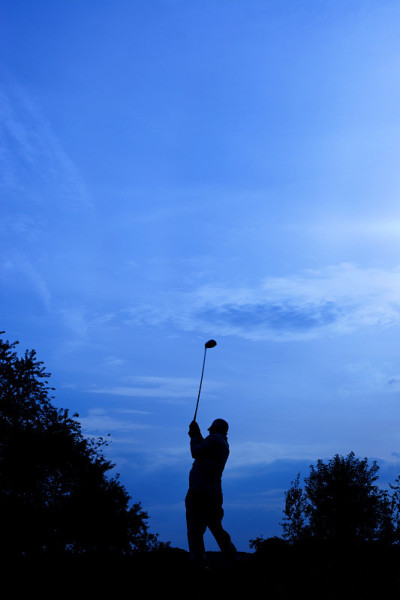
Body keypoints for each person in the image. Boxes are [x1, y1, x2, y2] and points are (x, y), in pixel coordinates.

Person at [185, 418, 237, 571]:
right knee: (216, 528)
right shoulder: (223, 444)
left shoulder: (214, 439)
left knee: (195, 531)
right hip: (213, 494)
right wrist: (197, 434)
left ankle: (199, 564)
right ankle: (232, 558)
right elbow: (203, 448)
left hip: (199, 492)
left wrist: (194, 435)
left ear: (213, 429)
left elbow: (196, 451)